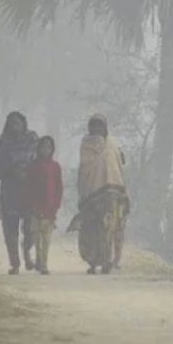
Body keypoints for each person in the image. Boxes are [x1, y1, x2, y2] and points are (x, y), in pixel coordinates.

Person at [72, 114, 129, 275]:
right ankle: (92, 261)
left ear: (105, 128)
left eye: (100, 126)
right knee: (91, 228)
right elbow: (85, 169)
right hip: (92, 195)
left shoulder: (112, 144)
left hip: (112, 194)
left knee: (108, 229)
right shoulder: (86, 146)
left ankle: (106, 261)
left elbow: (119, 163)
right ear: (90, 128)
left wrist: (119, 156)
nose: (97, 130)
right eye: (94, 126)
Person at [0, 111, 38, 275]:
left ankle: (27, 253)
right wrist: (12, 171)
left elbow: (41, 160)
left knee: (31, 228)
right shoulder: (4, 141)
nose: (15, 126)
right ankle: (15, 263)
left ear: (23, 123)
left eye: (17, 122)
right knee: (10, 229)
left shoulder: (32, 139)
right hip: (10, 190)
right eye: (11, 123)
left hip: (29, 189)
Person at [26, 136, 63, 275]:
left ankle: (44, 264)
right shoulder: (34, 166)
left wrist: (56, 205)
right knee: (37, 239)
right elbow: (29, 186)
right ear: (38, 149)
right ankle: (40, 261)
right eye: (43, 147)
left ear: (52, 149)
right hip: (36, 207)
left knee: (46, 239)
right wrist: (31, 204)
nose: (45, 150)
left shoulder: (55, 167)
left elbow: (59, 187)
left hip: (50, 208)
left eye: (48, 147)